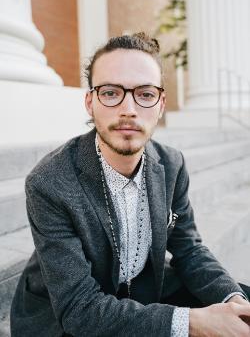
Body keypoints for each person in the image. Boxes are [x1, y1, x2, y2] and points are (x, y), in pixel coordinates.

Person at [11, 32, 250, 337]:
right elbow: (79, 309)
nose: (129, 109)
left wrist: (233, 302)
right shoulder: (49, 182)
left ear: (161, 104)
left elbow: (189, 249)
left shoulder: (172, 164)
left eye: (145, 94)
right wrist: (192, 322)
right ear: (90, 102)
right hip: (63, 316)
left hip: (142, 289)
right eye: (111, 93)